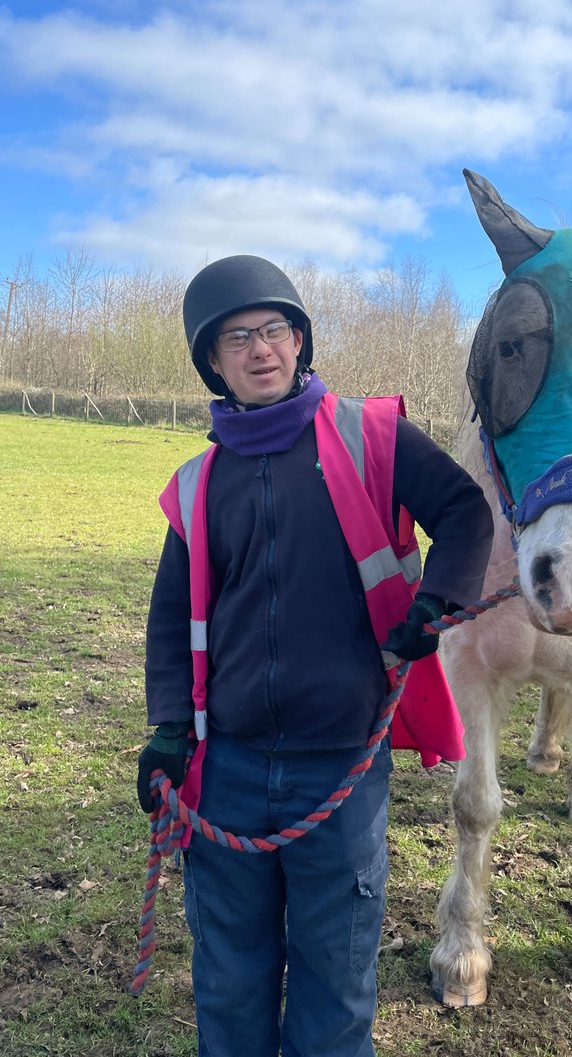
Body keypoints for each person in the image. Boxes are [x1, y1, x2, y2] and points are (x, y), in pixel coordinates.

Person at [137, 254, 493, 1057]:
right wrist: (167, 730)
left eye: (274, 330)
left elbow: (466, 514)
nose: (261, 349)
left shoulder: (373, 435)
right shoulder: (196, 484)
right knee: (229, 984)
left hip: (340, 764)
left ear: (299, 341)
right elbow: (168, 623)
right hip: (225, 768)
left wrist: (438, 602)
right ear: (214, 363)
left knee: (334, 987)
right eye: (238, 339)